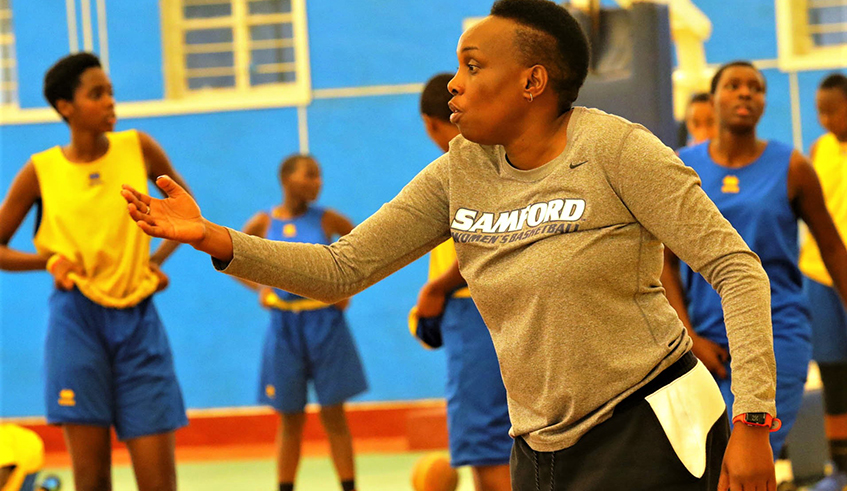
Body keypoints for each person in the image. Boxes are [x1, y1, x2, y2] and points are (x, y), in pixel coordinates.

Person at [122, 1, 782, 489]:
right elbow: (341, 267)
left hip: (646, 420)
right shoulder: (459, 169)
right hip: (539, 443)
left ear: (532, 82)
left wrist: (752, 420)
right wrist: (214, 237)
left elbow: (736, 269)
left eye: (472, 65)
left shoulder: (614, 148)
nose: (453, 84)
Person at [0, 52, 189, 491]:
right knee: (91, 480)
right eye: (96, 94)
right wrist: (46, 261)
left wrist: (153, 261)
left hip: (139, 321)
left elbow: (186, 217)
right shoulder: (41, 170)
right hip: (76, 322)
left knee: (159, 481)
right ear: (65, 106)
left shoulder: (137, 147)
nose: (110, 102)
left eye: (111, 92)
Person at [662, 61, 847, 462]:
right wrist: (688, 335)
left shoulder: (793, 166)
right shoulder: (683, 165)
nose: (746, 93)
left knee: (747, 462)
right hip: (706, 344)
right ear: (712, 100)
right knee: (707, 466)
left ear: (764, 103)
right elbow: (664, 263)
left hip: (778, 336)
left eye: (756, 87)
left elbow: (833, 250)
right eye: (733, 85)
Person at [237, 154, 367, 491]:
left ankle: (349, 485)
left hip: (325, 322)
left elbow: (365, 248)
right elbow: (232, 257)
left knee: (333, 414)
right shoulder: (263, 223)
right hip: (284, 327)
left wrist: (348, 286)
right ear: (286, 180)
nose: (317, 182)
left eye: (320, 176)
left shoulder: (327, 220)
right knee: (290, 417)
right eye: (310, 175)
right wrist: (261, 288)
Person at [412, 73, 511, 491]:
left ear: (432, 122)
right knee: (504, 441)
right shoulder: (502, 157)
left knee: (486, 444)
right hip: (487, 309)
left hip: (473, 309)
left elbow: (482, 241)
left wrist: (437, 288)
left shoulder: (469, 164)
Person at [798, 72, 847, 491]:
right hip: (819, 274)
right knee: (833, 372)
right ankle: (840, 467)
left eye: (832, 110)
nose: (825, 118)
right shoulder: (819, 149)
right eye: (820, 111)